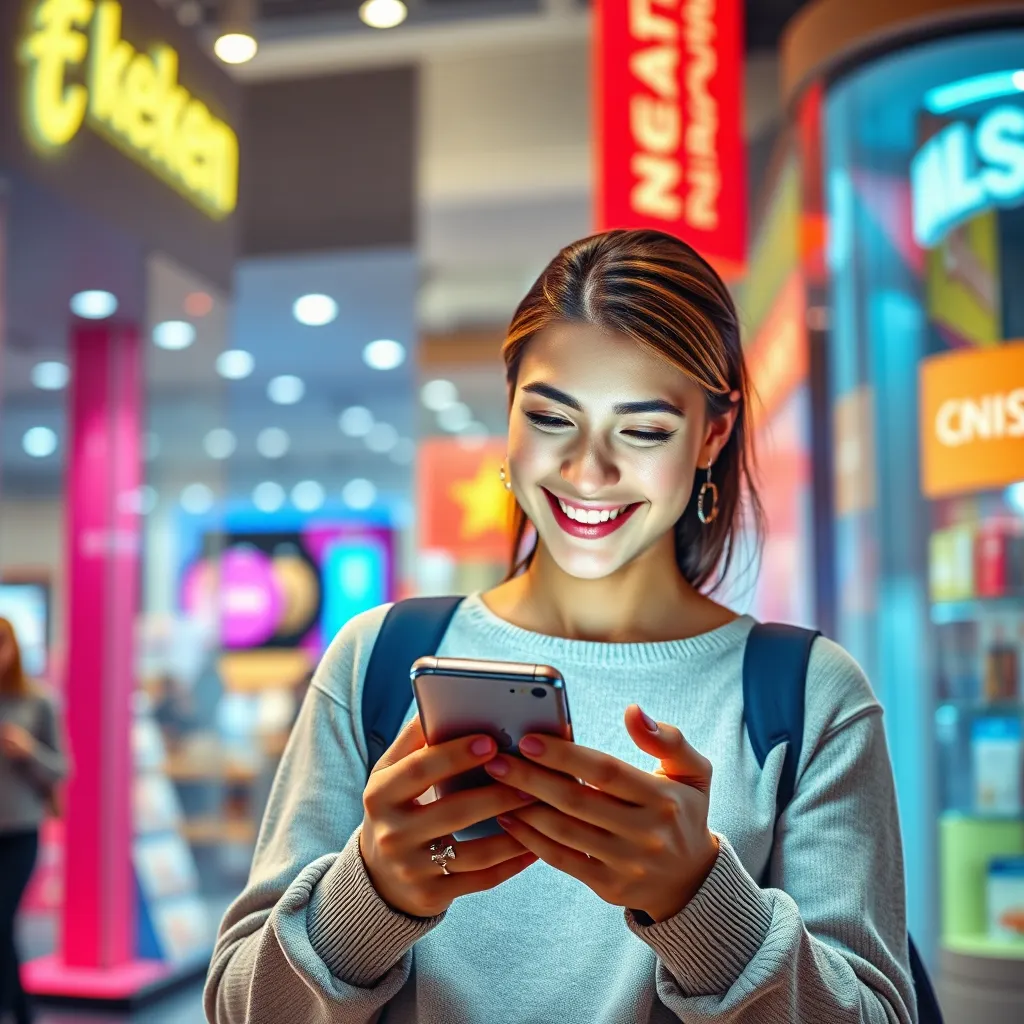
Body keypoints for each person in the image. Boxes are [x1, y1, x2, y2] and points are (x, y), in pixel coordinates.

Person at [204, 230, 917, 1024]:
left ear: (712, 435)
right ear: (507, 412)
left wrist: (701, 905)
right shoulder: (379, 660)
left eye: (644, 430)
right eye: (550, 418)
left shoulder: (809, 696)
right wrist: (370, 896)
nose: (587, 472)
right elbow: (240, 1007)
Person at [0, 617, 66, 1024]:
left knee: (1, 919)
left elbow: (61, 769)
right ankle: (20, 1010)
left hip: (19, 832)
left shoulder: (37, 702)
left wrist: (27, 750)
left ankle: (19, 1010)